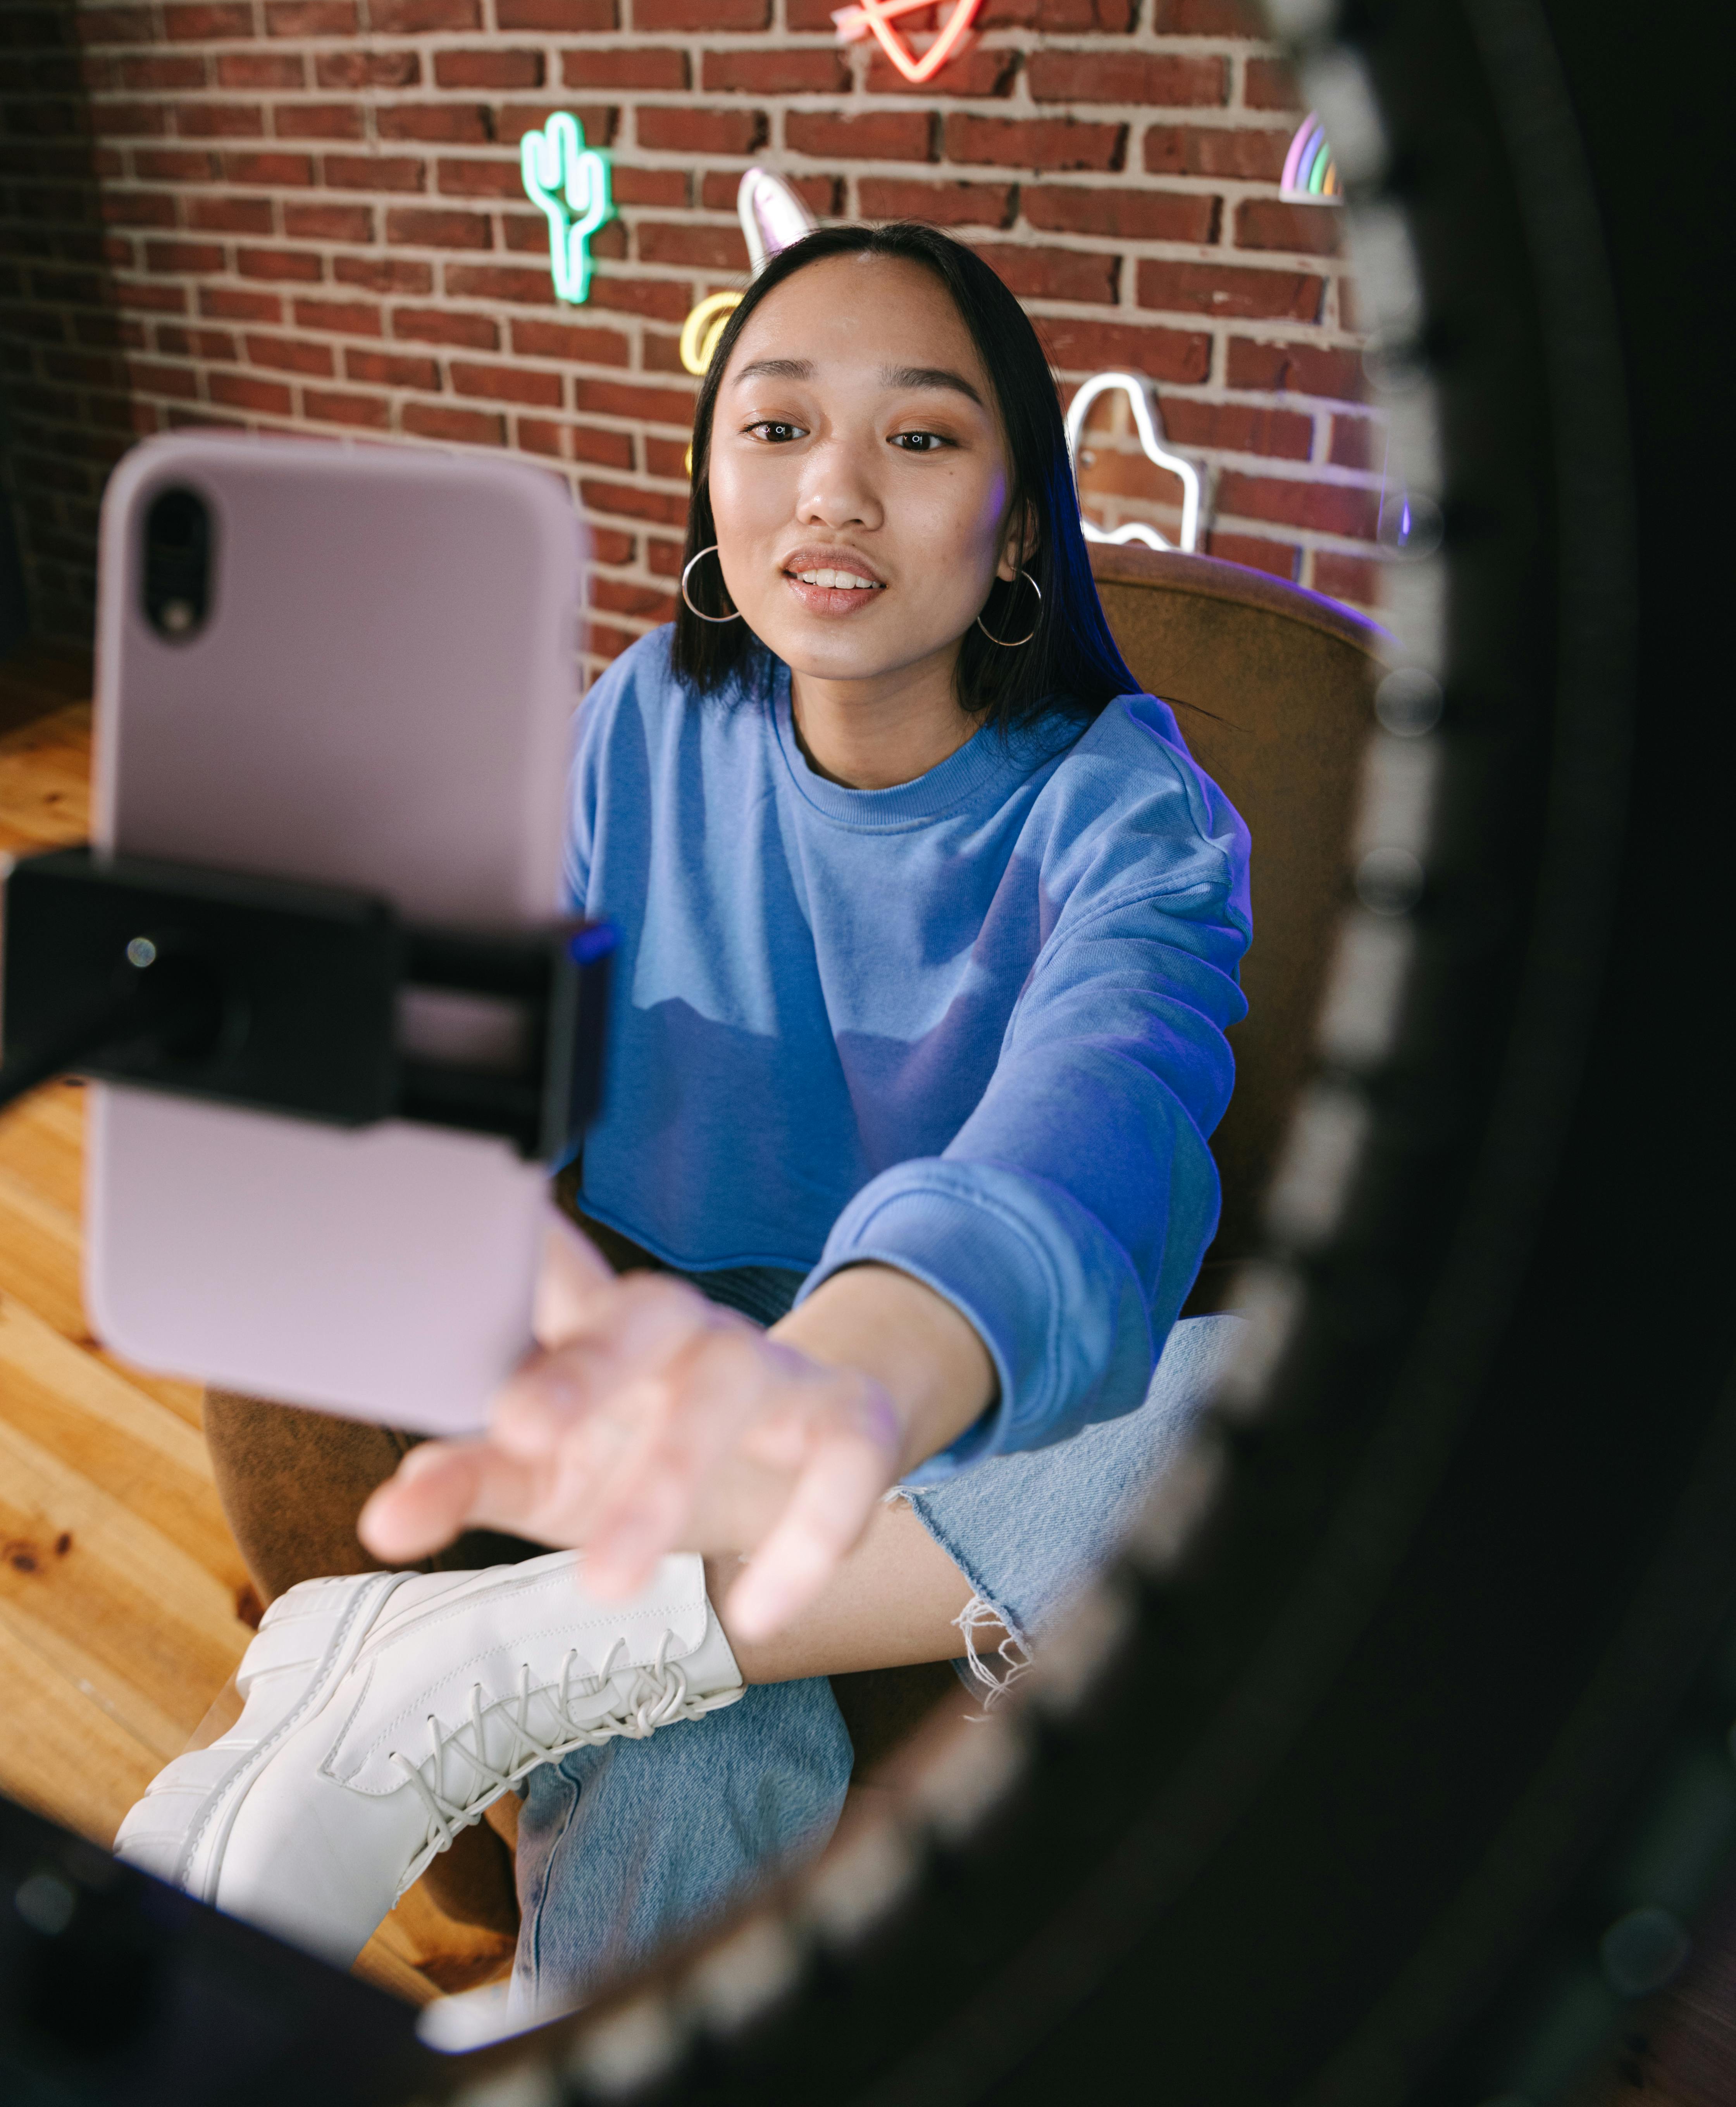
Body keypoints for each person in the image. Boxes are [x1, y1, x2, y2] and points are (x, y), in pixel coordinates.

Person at [116, 223, 1252, 2018]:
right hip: (676, 1388)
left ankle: (480, 1656)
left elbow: (1088, 1133)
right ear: (716, 478)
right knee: (696, 1756)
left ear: (1023, 521)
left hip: (975, 1406)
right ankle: (553, 1691)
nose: (839, 495)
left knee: (1288, 1392)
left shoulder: (1134, 820)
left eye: (926, 437)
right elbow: (490, 1038)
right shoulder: (637, 721)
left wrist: (838, 1385)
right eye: (778, 427)